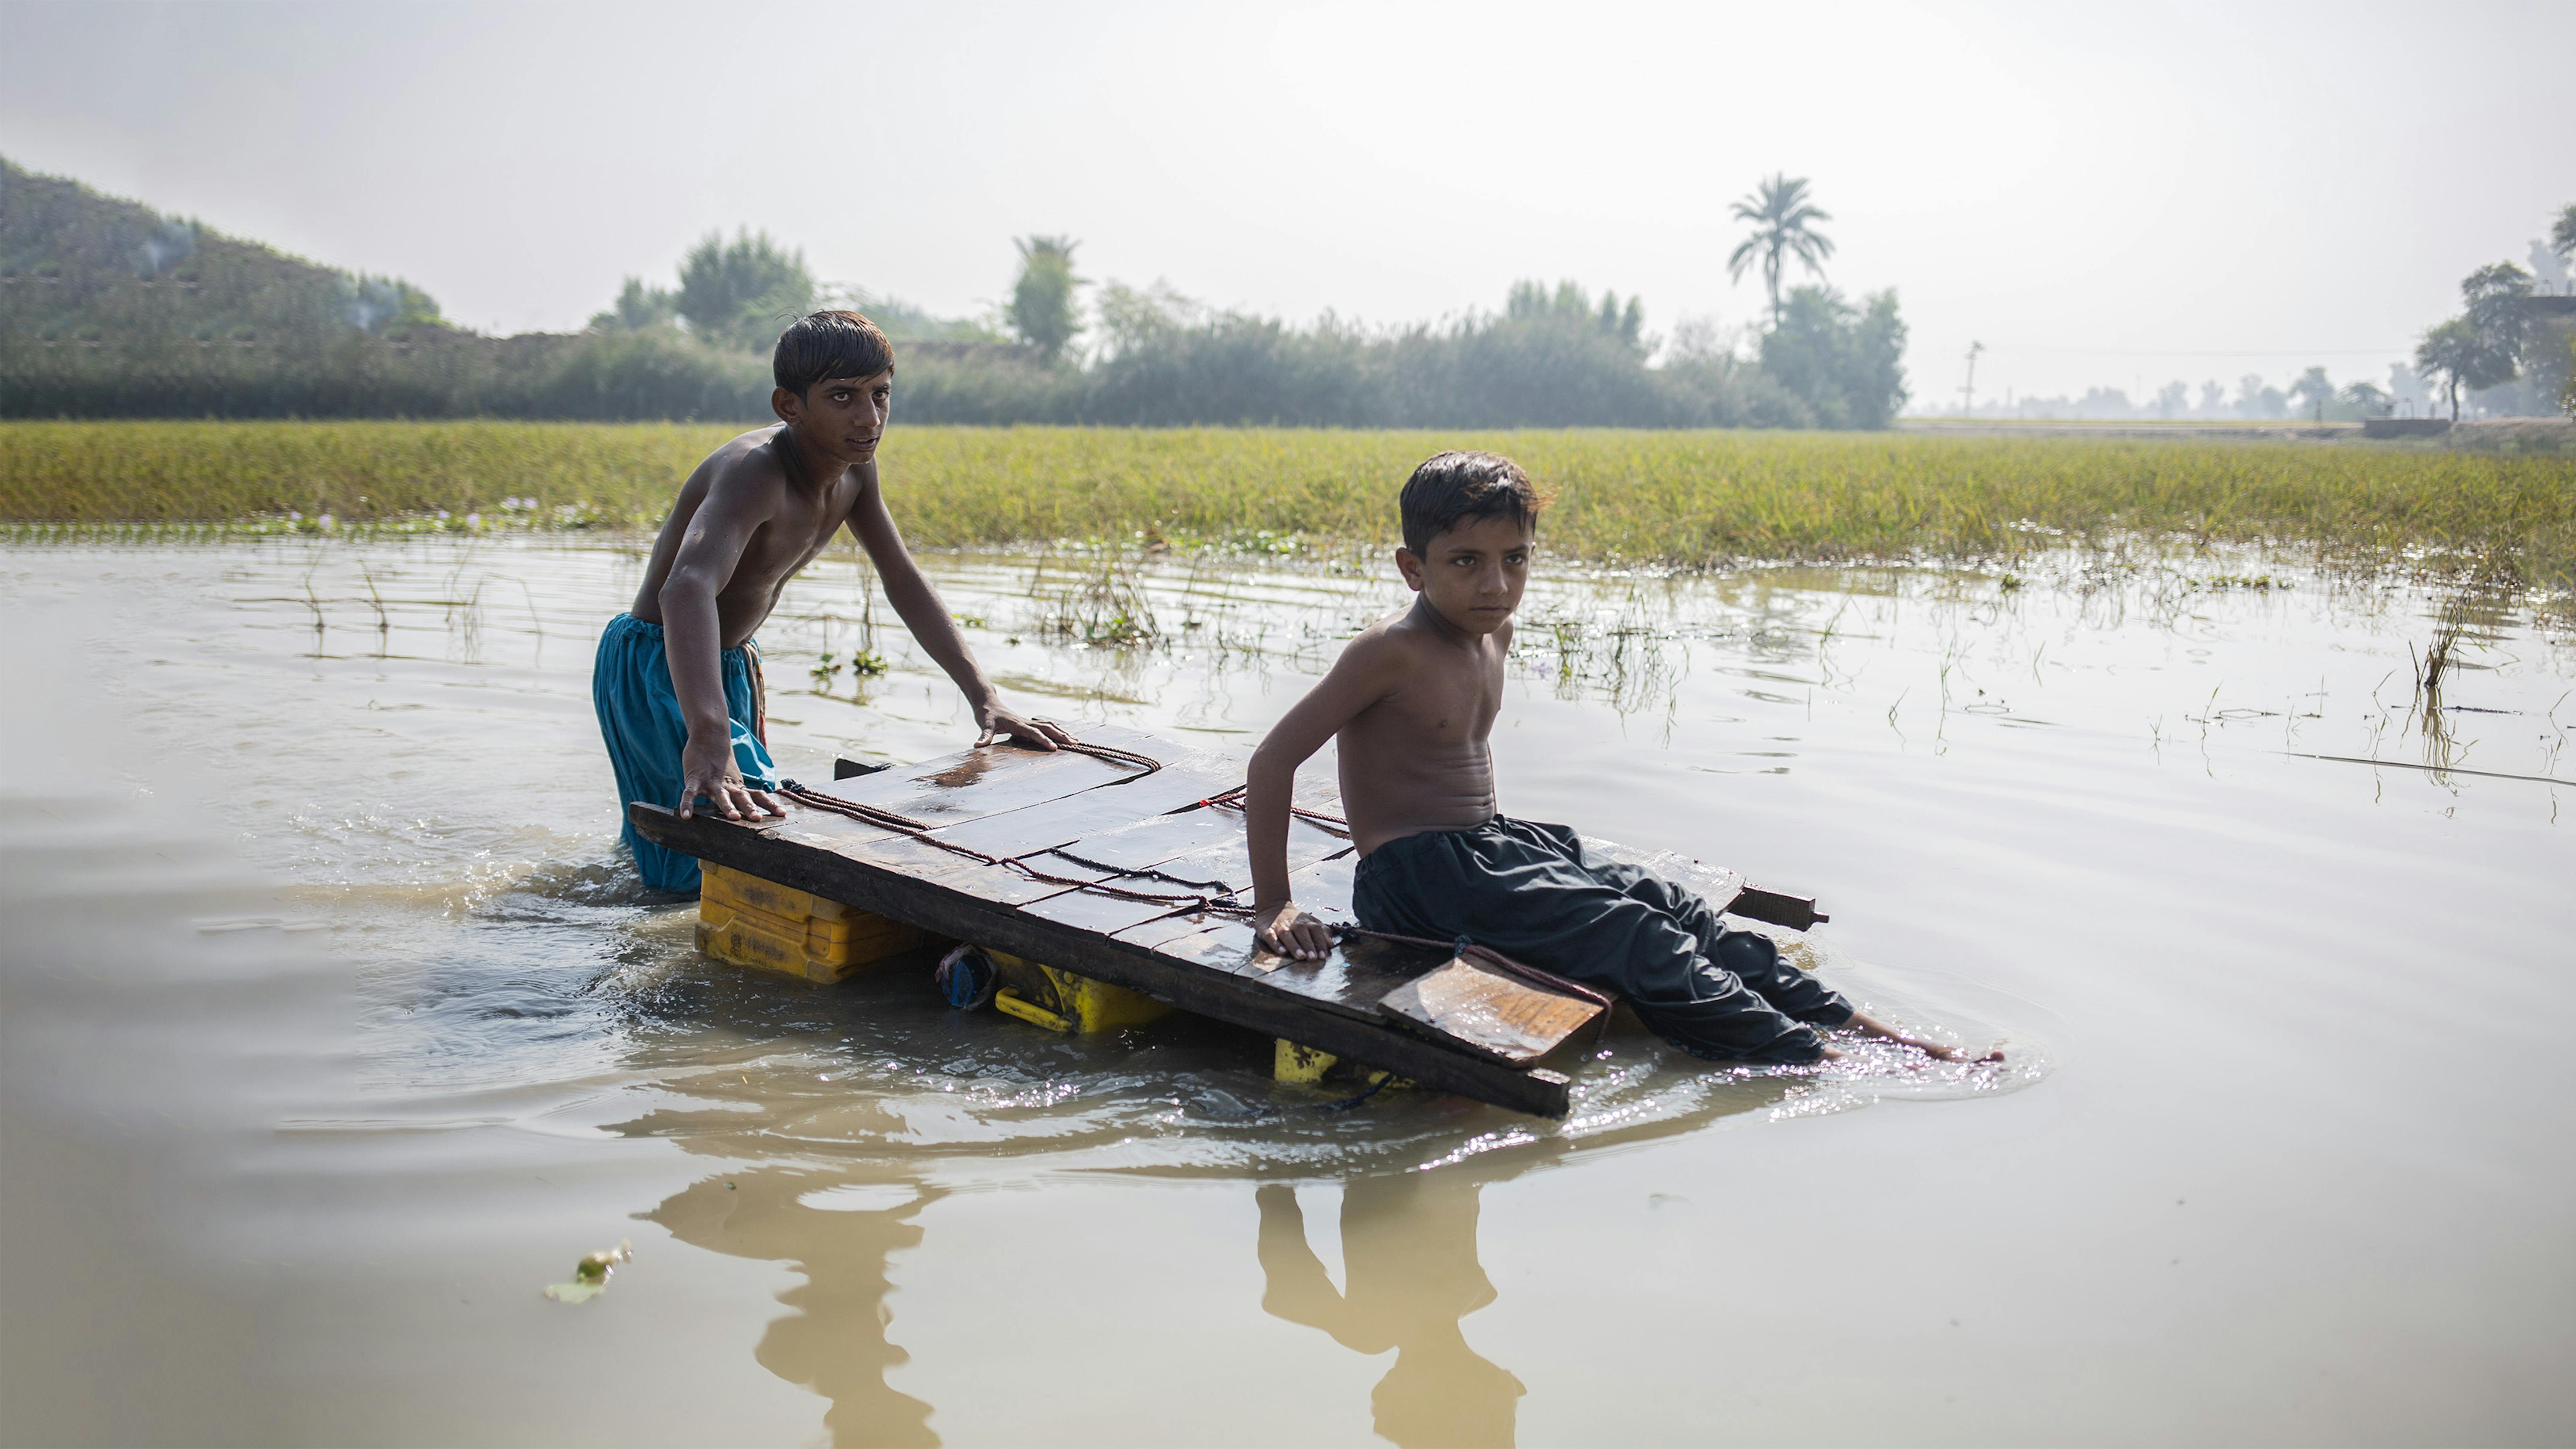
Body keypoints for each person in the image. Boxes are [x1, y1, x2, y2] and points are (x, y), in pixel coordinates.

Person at [1243, 450, 1993, 1065]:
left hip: (1495, 847)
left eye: (1515, 560)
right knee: (1636, 937)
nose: (1496, 584)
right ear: (1414, 569)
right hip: (1421, 879)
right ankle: (1814, 1060)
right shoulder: (1388, 654)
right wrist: (1274, 902)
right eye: (1466, 561)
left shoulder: (1491, 634)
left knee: (1674, 910)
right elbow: (1273, 762)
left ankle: (1870, 1033)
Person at [593, 309, 1070, 892]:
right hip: (660, 662)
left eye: (880, 395)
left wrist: (985, 697)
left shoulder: (854, 474)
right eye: (842, 397)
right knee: (709, 841)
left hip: (725, 664)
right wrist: (710, 729)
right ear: (789, 407)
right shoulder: (756, 473)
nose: (869, 418)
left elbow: (903, 580)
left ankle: (627, 897)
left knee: (719, 829)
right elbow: (686, 587)